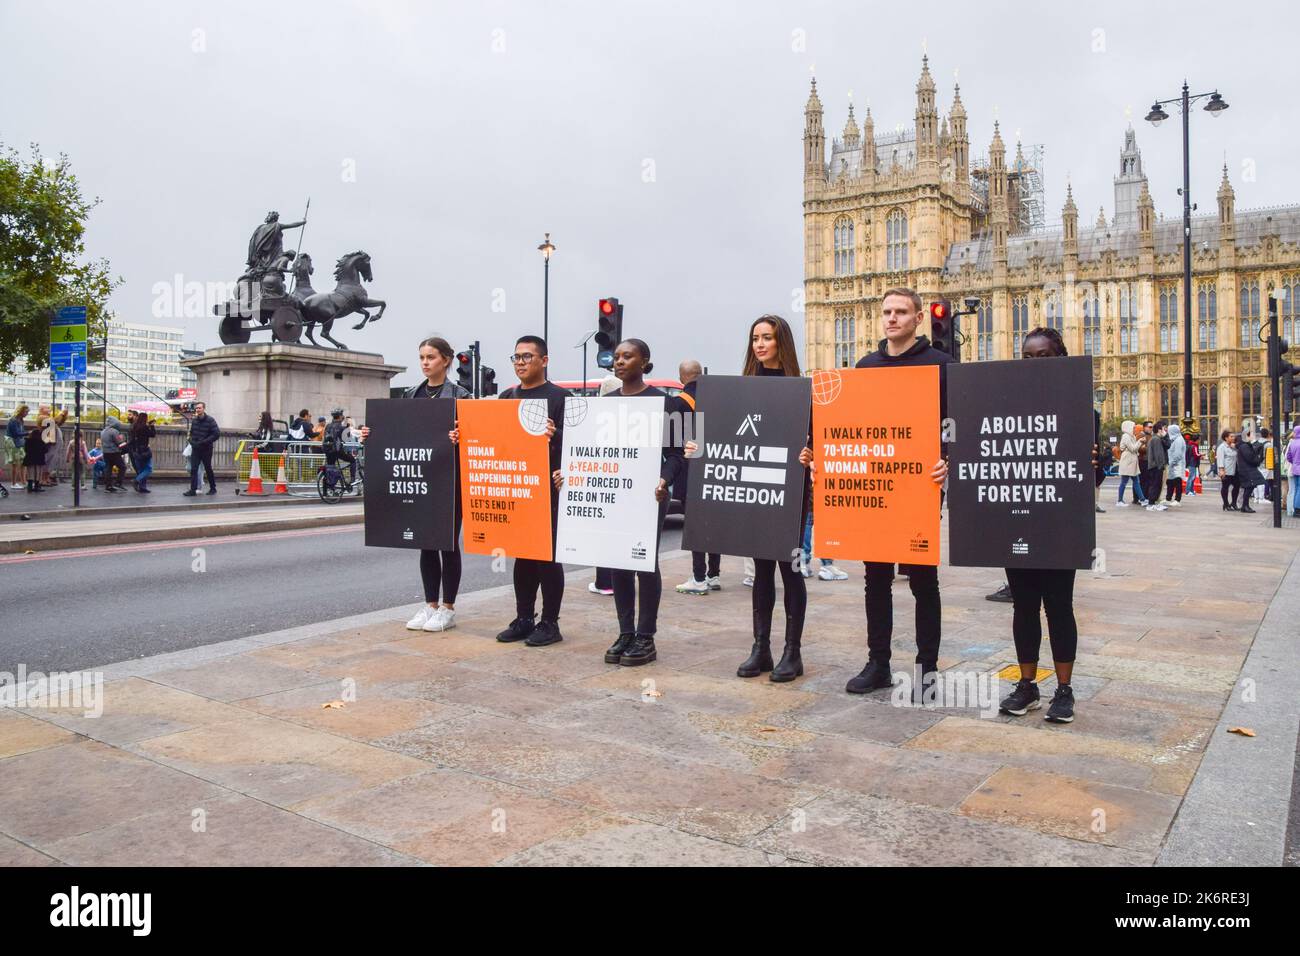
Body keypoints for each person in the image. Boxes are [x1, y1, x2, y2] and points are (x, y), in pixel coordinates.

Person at [841, 289, 950, 696]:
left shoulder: (940, 365)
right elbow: (850, 426)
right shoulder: (865, 366)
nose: (892, 318)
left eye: (901, 312)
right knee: (876, 578)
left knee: (924, 581)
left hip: (920, 486)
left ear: (918, 318)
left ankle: (927, 669)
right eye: (886, 312)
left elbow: (958, 421)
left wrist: (949, 459)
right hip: (876, 486)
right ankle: (878, 663)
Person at [997, 327, 1088, 723]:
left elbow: (1089, 477)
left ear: (1060, 358)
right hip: (1017, 518)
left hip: (1058, 523)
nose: (1034, 364)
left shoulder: (1079, 404)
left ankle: (1064, 691)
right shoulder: (1004, 404)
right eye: (1027, 357)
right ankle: (1028, 684)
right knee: (1024, 606)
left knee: (1059, 606)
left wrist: (1094, 463)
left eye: (1044, 357)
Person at [362, 336, 470, 633]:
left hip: (450, 479)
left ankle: (448, 607)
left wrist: (462, 438)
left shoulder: (462, 396)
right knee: (425, 542)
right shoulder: (411, 393)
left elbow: (477, 439)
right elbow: (399, 432)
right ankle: (430, 604)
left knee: (446, 543)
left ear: (446, 360)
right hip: (421, 478)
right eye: (422, 357)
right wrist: (372, 434)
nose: (425, 362)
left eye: (431, 357)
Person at [730, 314, 812, 683]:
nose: (760, 344)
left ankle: (792, 651)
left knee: (789, 569)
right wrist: (696, 445)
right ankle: (760, 647)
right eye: (755, 338)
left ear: (782, 342)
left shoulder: (801, 387)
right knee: (761, 568)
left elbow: (816, 436)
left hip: (790, 488)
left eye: (767, 337)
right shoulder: (744, 387)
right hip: (755, 486)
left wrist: (811, 453)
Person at [600, 339, 684, 666]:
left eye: (627, 356)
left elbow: (681, 453)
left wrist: (665, 480)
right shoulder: (605, 403)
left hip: (651, 493)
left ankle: (645, 635)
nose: (619, 361)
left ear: (644, 361)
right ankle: (625, 631)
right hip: (616, 491)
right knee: (619, 560)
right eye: (617, 357)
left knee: (644, 561)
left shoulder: (668, 404)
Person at [495, 335, 572, 648]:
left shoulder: (561, 397)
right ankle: (524, 618)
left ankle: (550, 623)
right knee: (523, 556)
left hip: (549, 491)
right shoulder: (506, 397)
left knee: (547, 558)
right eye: (516, 357)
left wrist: (557, 436)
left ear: (544, 360)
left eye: (527, 356)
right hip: (517, 489)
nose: (520, 363)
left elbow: (579, 445)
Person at [674, 359, 723, 595]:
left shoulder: (678, 403)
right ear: (701, 374)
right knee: (713, 524)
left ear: (681, 378)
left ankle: (698, 577)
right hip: (714, 471)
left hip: (689, 471)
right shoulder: (714, 400)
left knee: (694, 527)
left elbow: (672, 444)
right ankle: (714, 574)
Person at [183, 402, 221, 496]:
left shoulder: (210, 420)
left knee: (208, 468)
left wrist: (204, 442)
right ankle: (193, 490)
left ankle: (213, 488)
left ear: (204, 409)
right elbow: (190, 433)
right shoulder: (195, 421)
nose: (198, 409)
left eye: (199, 408)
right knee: (194, 469)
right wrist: (192, 442)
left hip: (206, 449)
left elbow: (216, 434)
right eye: (196, 408)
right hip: (196, 449)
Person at [1116, 421, 1151, 508]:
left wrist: (1138, 442)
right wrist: (1140, 441)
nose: (1134, 428)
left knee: (1135, 481)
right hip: (1128, 462)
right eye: (1133, 427)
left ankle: (1142, 499)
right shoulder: (1126, 436)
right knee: (1125, 482)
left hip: (1131, 462)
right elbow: (1133, 448)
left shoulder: (1130, 436)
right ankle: (1120, 500)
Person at [322, 408, 357, 487]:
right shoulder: (341, 427)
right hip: (337, 451)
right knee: (352, 460)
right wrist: (347, 426)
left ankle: (328, 488)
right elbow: (346, 439)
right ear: (340, 416)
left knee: (330, 467)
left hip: (327, 450)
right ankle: (352, 479)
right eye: (342, 415)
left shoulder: (328, 426)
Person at [1234, 429, 1264, 514]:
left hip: (1247, 469)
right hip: (1247, 470)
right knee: (1248, 487)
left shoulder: (1246, 445)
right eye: (1252, 435)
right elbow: (1250, 458)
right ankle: (1245, 505)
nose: (1253, 436)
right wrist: (1257, 458)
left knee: (1250, 487)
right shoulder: (1244, 446)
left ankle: (1245, 505)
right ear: (1247, 436)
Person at [99, 415, 128, 493]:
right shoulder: (114, 431)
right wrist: (122, 439)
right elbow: (119, 442)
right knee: (122, 467)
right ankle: (118, 483)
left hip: (105, 452)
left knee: (108, 468)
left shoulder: (103, 431)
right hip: (114, 452)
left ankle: (108, 486)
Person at [130, 411, 156, 493]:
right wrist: (152, 426)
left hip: (135, 451)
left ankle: (142, 487)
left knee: (141, 469)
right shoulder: (144, 427)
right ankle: (136, 481)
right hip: (144, 450)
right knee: (148, 469)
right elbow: (152, 434)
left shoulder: (134, 427)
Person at [6, 404, 28, 489]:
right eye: (26, 411)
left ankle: (23, 482)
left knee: (23, 463)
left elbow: (20, 432)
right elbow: (16, 433)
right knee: (15, 464)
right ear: (21, 411)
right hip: (13, 443)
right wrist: (28, 433)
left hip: (19, 443)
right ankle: (13, 483)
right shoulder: (14, 420)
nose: (27, 413)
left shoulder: (20, 420)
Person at [1216, 430, 1239, 511]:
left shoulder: (1234, 446)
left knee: (1237, 486)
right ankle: (1226, 504)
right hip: (1227, 470)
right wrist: (1221, 470)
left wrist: (1235, 447)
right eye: (1231, 436)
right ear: (1226, 438)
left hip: (1235, 470)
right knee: (1225, 487)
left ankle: (1234, 503)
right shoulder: (1222, 447)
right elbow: (1220, 459)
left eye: (1234, 436)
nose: (1233, 438)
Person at [1165, 423, 1186, 506]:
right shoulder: (1174, 439)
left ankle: (1177, 500)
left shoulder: (1178, 440)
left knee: (1177, 482)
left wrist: (1172, 463)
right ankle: (1168, 498)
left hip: (1177, 464)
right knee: (1170, 482)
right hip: (1172, 464)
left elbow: (1178, 454)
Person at [1286, 426, 1300, 517]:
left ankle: (1295, 509)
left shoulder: (1292, 443)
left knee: (1295, 489)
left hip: (1295, 469)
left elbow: (1288, 457)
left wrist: (1295, 463)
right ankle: (1298, 509)